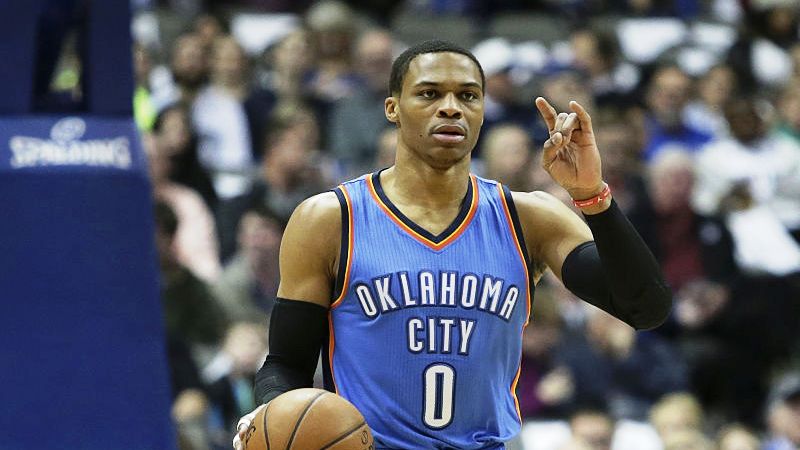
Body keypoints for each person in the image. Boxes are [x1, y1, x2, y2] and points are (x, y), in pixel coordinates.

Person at [232, 40, 671, 450]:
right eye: (429, 94)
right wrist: (271, 415)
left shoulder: (530, 217)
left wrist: (592, 195)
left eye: (468, 96)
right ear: (392, 108)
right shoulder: (331, 218)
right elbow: (286, 363)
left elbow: (646, 308)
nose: (451, 107)